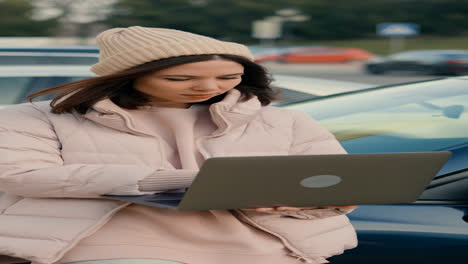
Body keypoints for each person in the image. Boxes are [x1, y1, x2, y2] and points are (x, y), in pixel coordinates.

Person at [0, 26, 357, 264]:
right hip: (110, 246)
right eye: (180, 78)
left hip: (264, 248)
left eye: (228, 77)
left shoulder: (285, 120)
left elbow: (325, 181)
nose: (208, 87)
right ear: (129, 75)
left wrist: (315, 202)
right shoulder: (36, 116)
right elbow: (22, 175)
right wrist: (171, 182)